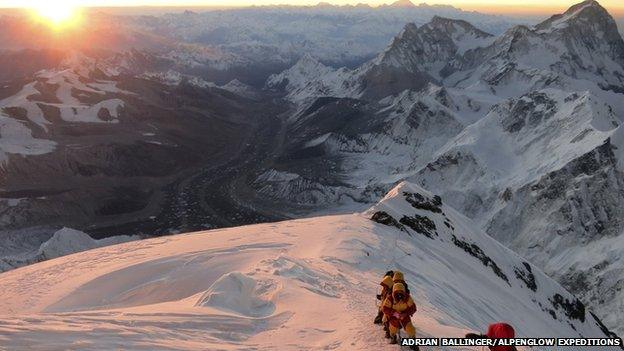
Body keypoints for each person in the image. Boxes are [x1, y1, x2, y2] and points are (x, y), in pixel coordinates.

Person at [382, 282, 419, 350]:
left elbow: (413, 308)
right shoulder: (390, 298)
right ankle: (393, 338)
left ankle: (412, 343)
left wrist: (405, 313)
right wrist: (394, 313)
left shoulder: (407, 298)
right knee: (393, 329)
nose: (399, 294)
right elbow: (384, 308)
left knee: (410, 329)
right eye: (397, 292)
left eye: (401, 291)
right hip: (393, 317)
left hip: (404, 316)